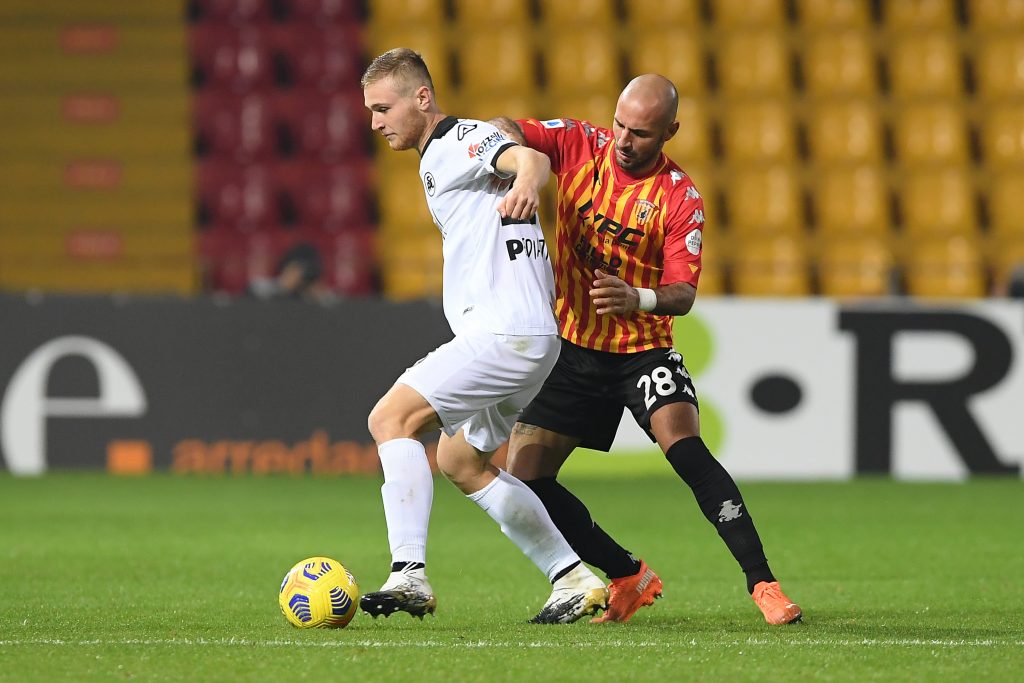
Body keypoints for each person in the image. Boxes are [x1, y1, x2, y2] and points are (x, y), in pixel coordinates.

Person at [491, 74, 802, 625]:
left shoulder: (680, 199)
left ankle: (764, 585)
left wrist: (636, 296)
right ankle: (627, 574)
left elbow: (684, 295)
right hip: (572, 345)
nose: (624, 140)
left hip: (643, 349)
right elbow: (502, 128)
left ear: (670, 132)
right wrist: (517, 160)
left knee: (684, 448)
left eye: (640, 133)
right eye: (620, 125)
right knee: (526, 479)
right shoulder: (579, 145)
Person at [358, 48, 608, 624]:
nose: (375, 122)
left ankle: (408, 574)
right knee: (460, 459)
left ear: (422, 98)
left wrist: (525, 180)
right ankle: (572, 579)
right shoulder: (436, 157)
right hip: (530, 339)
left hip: (504, 335)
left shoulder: (457, 140)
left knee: (389, 421)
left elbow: (531, 159)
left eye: (382, 107)